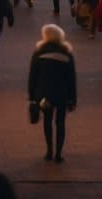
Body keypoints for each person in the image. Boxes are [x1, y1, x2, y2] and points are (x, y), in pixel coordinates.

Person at [28, 24, 77, 161]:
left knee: (47, 121)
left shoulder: (39, 53)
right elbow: (71, 78)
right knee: (60, 123)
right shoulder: (66, 53)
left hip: (44, 94)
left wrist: (32, 96)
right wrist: (72, 98)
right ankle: (59, 154)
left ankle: (49, 150)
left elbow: (33, 76)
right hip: (62, 93)